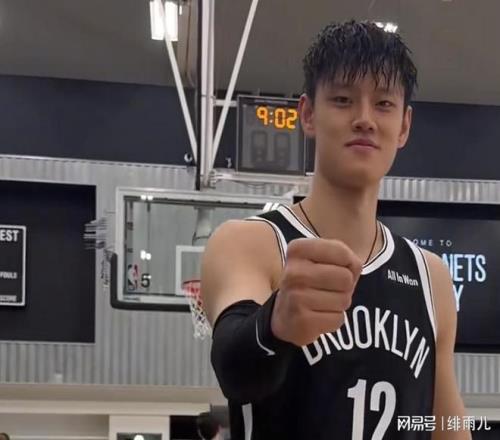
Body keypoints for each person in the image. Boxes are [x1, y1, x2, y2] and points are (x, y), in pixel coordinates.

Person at [201, 20, 471, 439]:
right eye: (343, 100)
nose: (364, 119)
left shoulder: (431, 277)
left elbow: (446, 423)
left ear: (404, 126)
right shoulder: (252, 243)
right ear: (308, 114)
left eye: (383, 104)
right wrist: (274, 323)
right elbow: (234, 370)